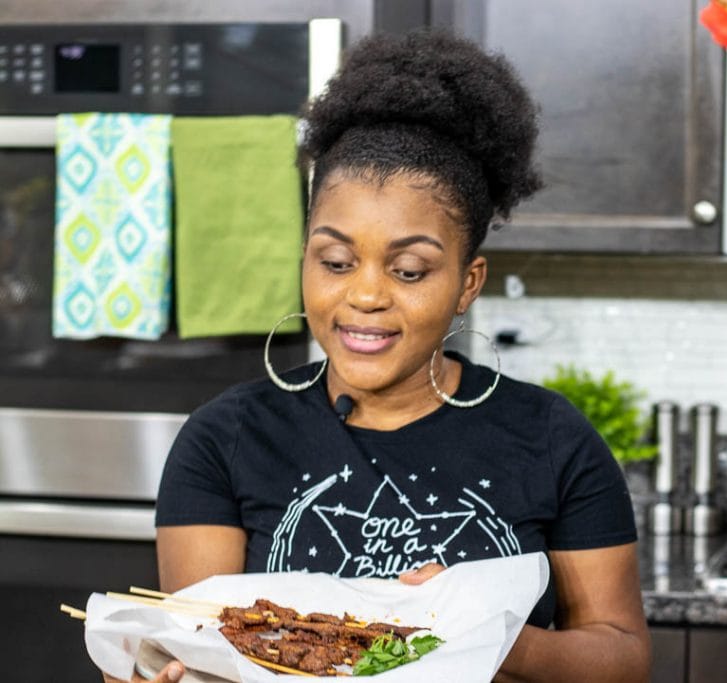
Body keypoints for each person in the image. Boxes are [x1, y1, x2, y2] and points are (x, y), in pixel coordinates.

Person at [103, 29, 650, 683]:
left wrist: (497, 640)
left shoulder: (553, 438)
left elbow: (623, 655)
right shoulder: (224, 439)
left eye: (411, 270)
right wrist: (161, 671)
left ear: (466, 285)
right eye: (335, 260)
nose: (364, 294)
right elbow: (199, 650)